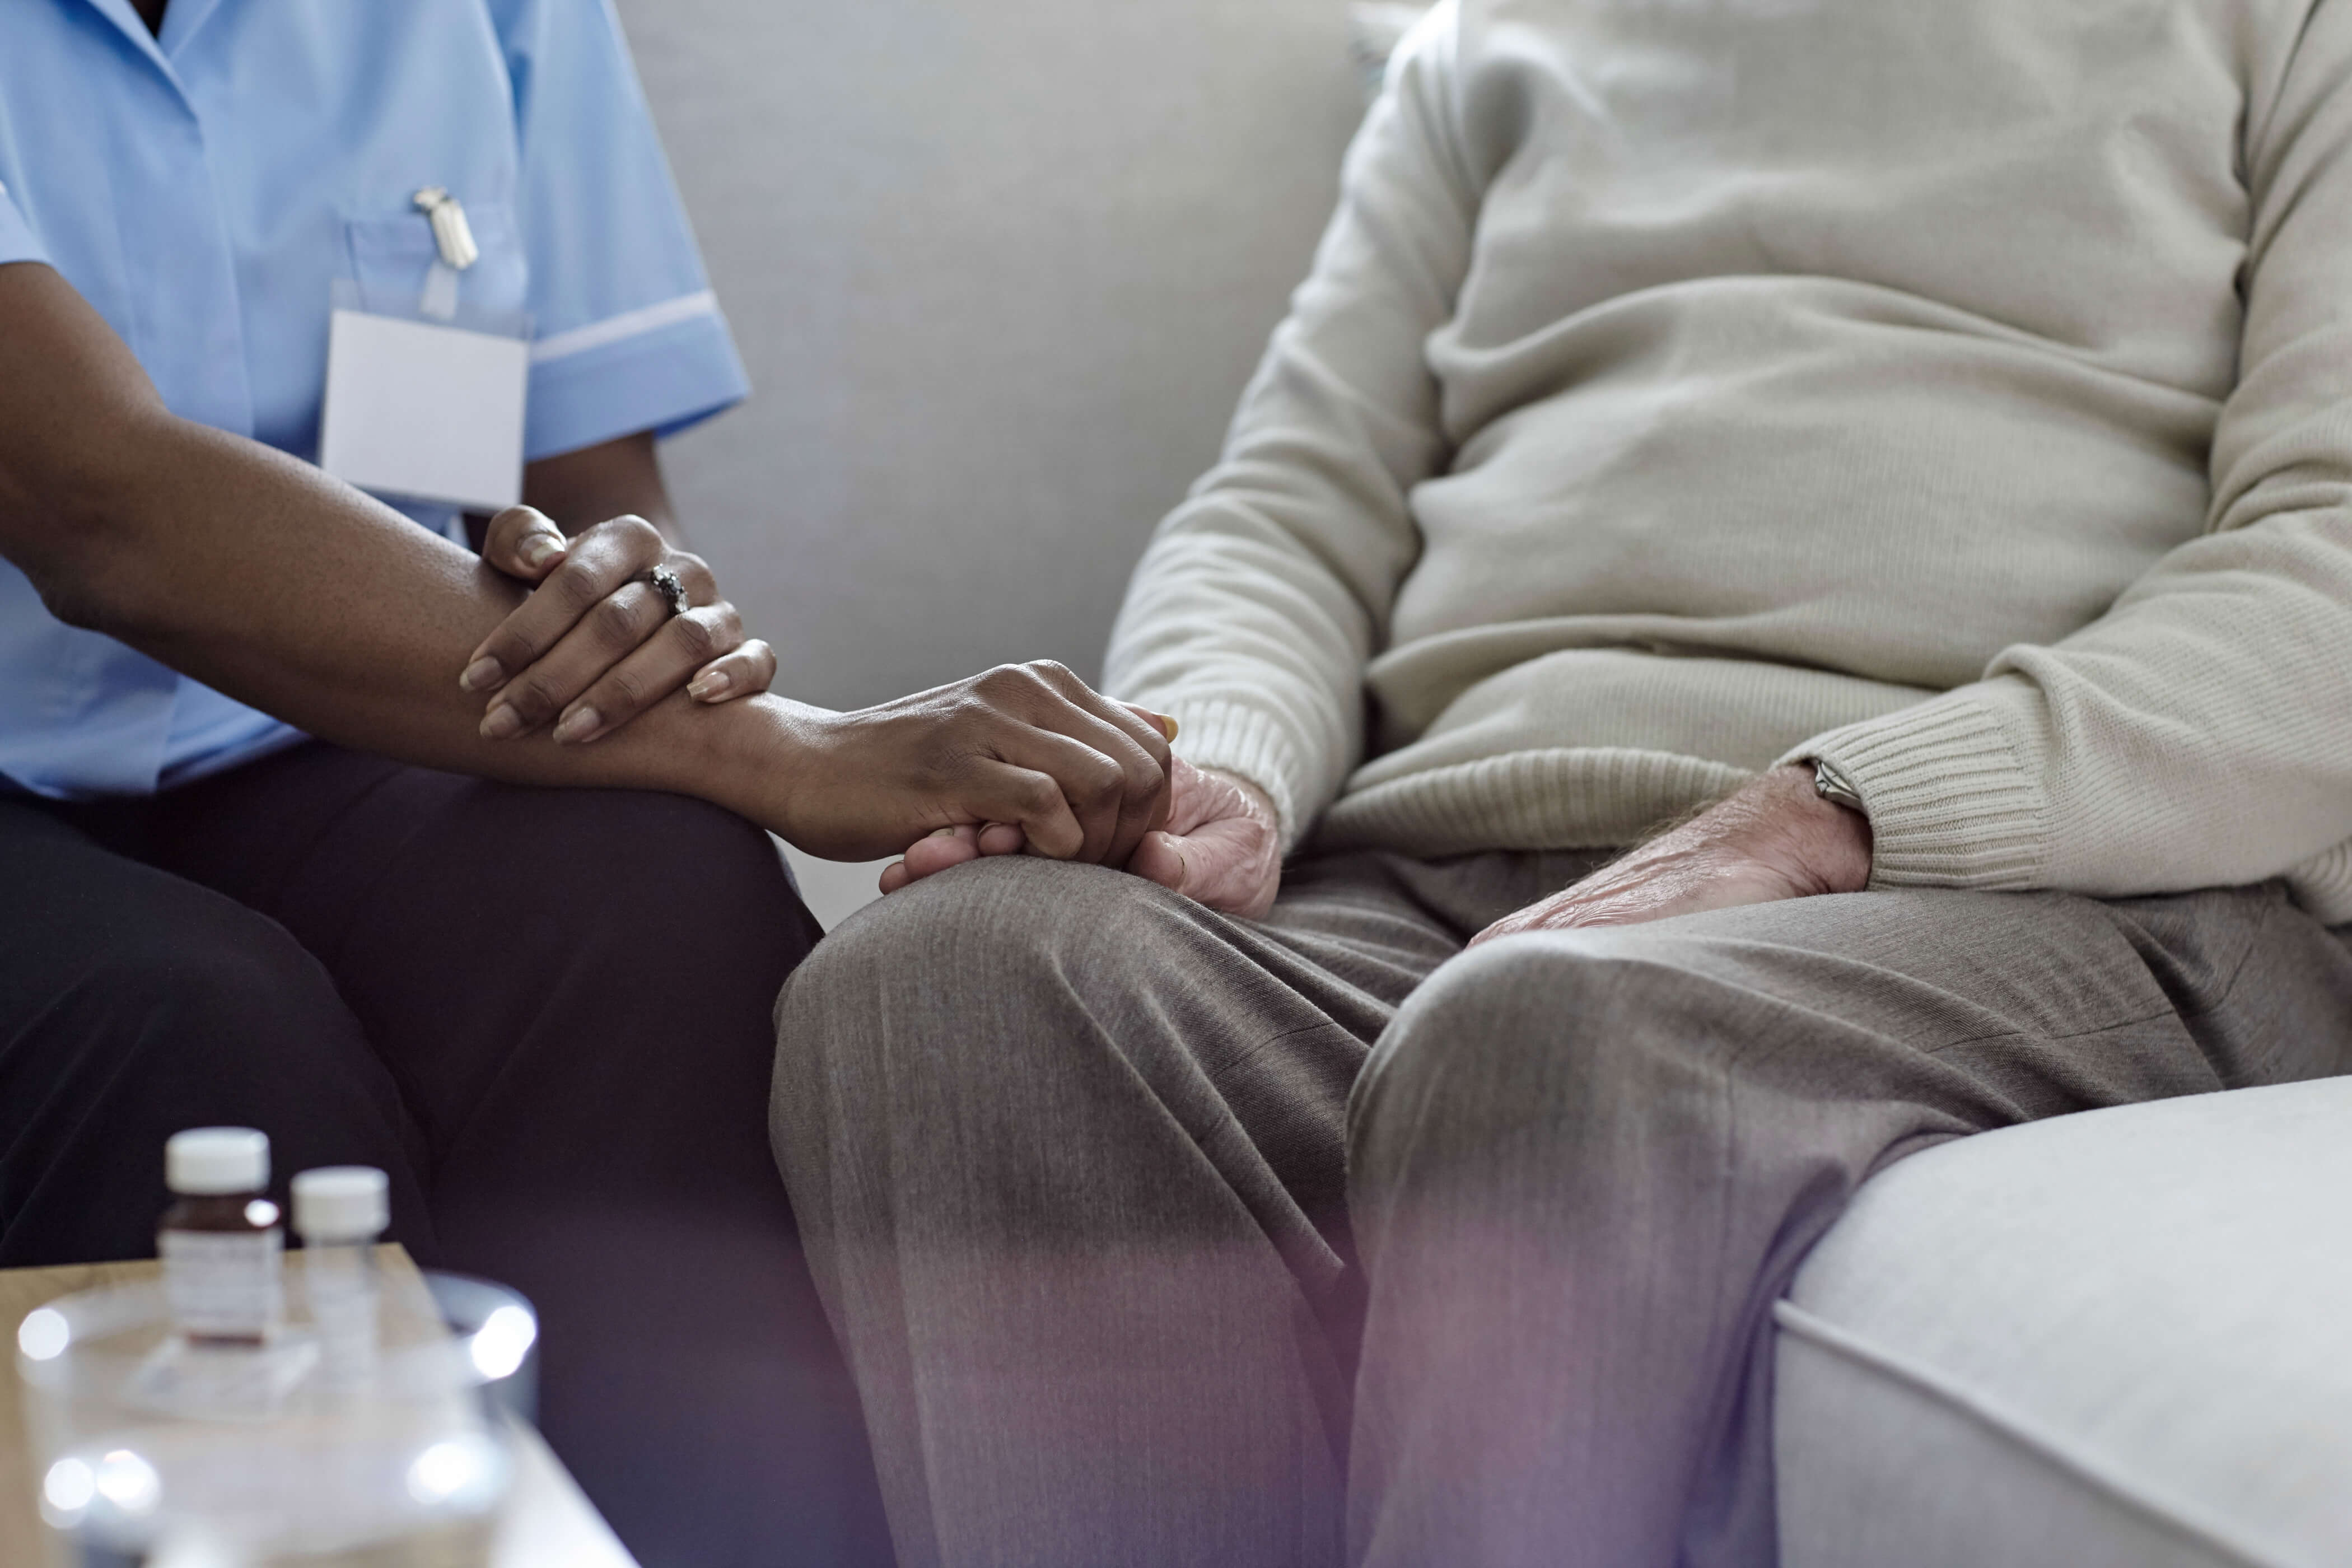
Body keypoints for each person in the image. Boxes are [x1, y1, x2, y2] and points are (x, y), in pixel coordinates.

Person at [769, 0, 2352, 1564]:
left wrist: (1832, 816)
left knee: (1547, 1039)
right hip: (1441, 879)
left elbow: (2328, 558)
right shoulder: (1487, 51)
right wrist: (1222, 769)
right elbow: (1289, 509)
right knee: (946, 977)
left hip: (2042, 892)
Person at [0, 3, 1169, 1565]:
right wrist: (789, 749)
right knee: (187, 1037)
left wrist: (628, 616)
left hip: (348, 726)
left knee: (657, 905)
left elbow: (562, 482)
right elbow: (92, 500)